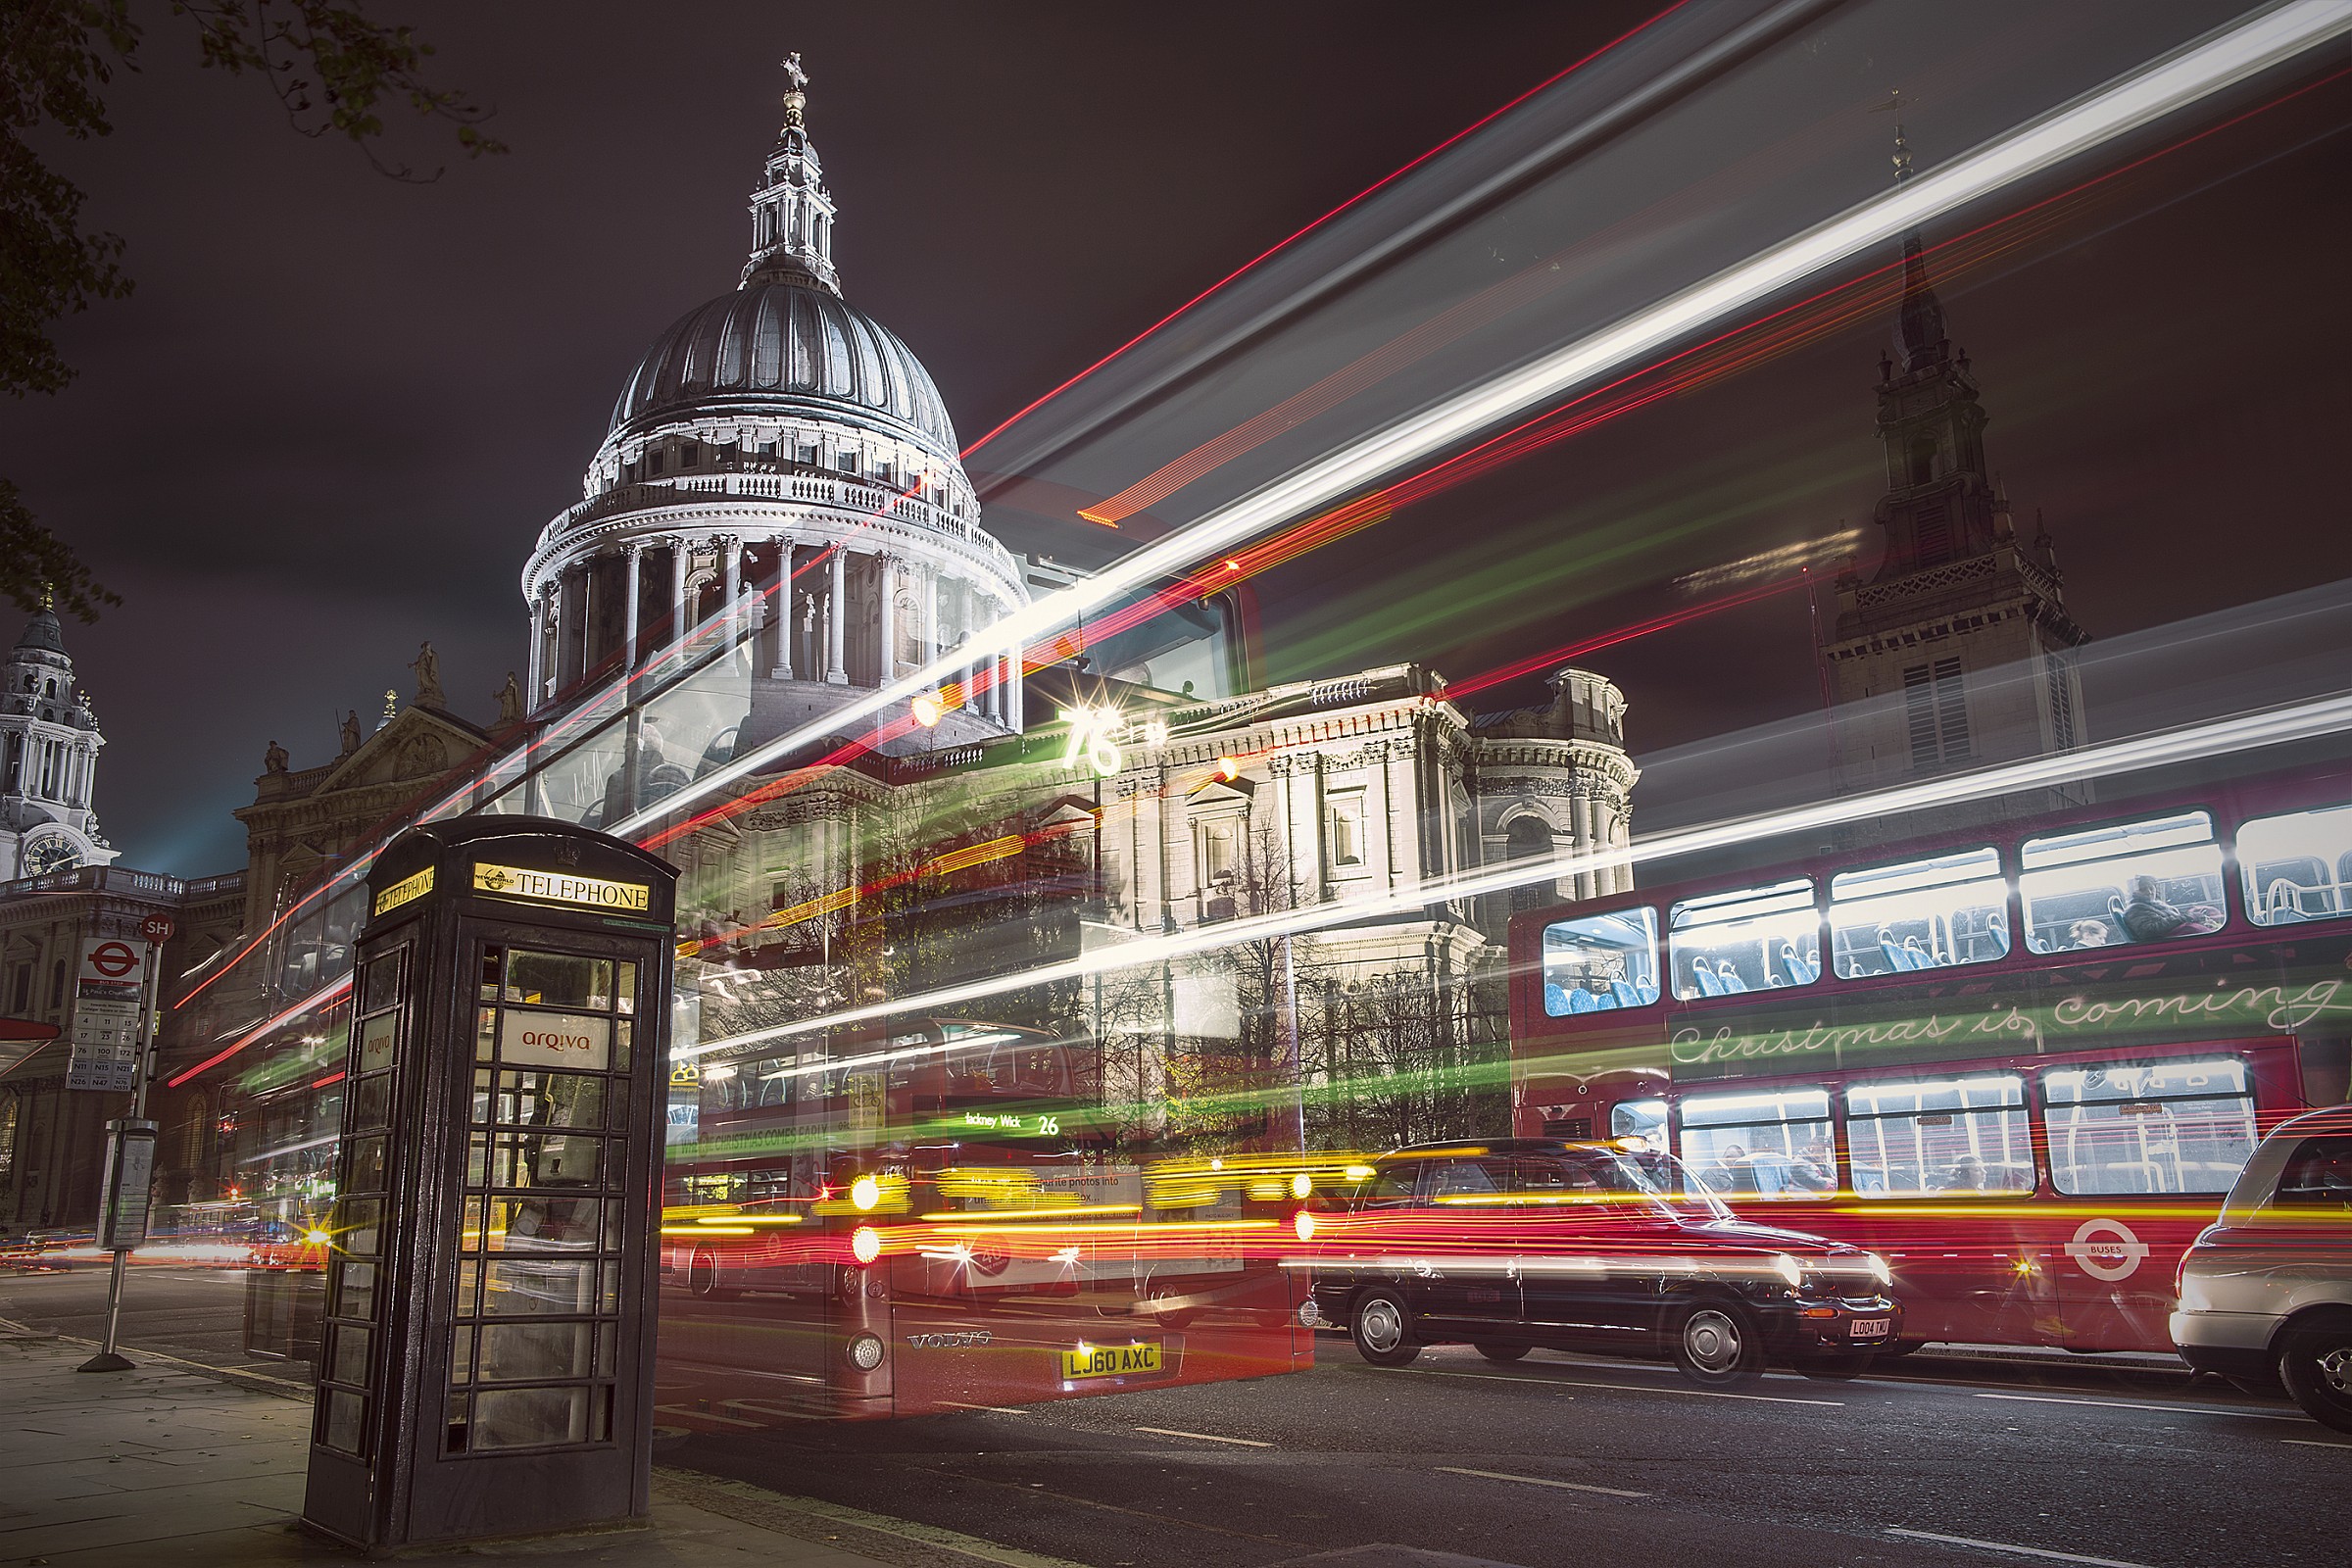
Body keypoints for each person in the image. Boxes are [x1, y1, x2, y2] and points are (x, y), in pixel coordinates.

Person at [2115, 874, 2225, 942]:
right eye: (2143, 889)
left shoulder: (2153, 904)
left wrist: (2194, 916)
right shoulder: (2135, 910)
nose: (2149, 892)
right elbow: (2149, 930)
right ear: (2134, 892)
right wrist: (2187, 918)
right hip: (2168, 943)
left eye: (2151, 888)